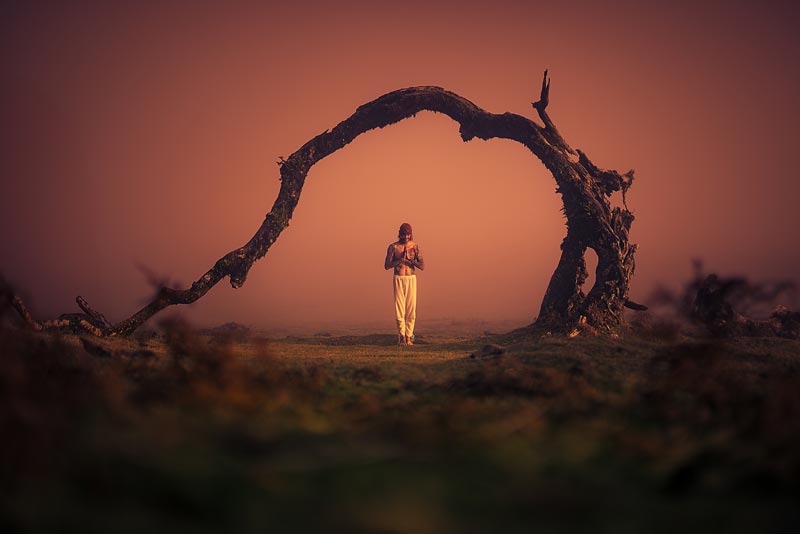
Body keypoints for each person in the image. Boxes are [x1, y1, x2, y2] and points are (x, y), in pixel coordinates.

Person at [384, 223, 425, 346]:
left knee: (411, 308)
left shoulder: (415, 246)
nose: (405, 237)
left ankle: (409, 337)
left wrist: (410, 261)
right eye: (403, 234)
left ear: (410, 234)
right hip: (399, 278)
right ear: (399, 234)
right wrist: (400, 260)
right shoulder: (393, 247)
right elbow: (386, 266)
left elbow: (422, 266)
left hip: (411, 278)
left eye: (407, 234)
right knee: (399, 308)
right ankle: (401, 337)